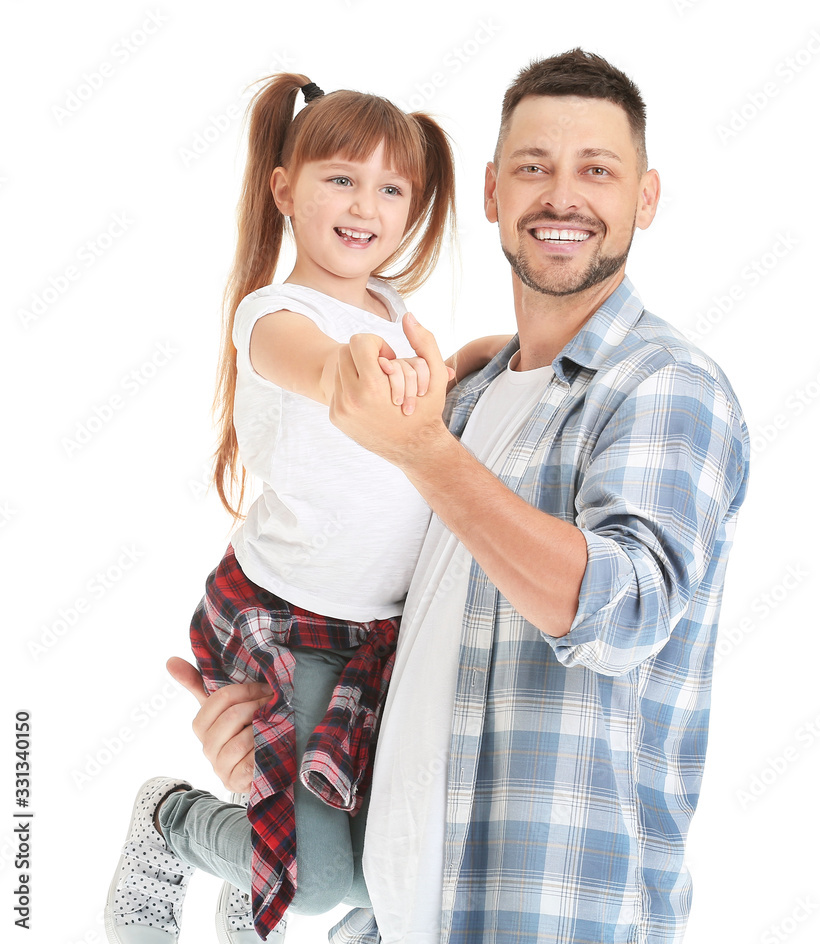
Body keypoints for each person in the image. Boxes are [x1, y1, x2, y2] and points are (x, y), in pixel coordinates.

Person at [182, 49, 750, 944]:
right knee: (317, 863)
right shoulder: (471, 399)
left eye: (597, 170)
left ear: (645, 198)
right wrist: (267, 754)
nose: (562, 197)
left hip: (543, 917)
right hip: (394, 916)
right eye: (534, 168)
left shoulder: (663, 387)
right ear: (492, 193)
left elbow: (617, 611)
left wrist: (425, 448)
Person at [104, 72, 506, 944]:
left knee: (392, 856)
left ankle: (251, 880)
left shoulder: (397, 312)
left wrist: (493, 359)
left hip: (383, 632)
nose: (367, 204)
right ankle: (171, 823)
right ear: (286, 188)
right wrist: (349, 374)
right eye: (341, 178)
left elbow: (431, 386)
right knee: (326, 878)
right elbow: (321, 368)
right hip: (291, 621)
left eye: (392, 188)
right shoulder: (273, 316)